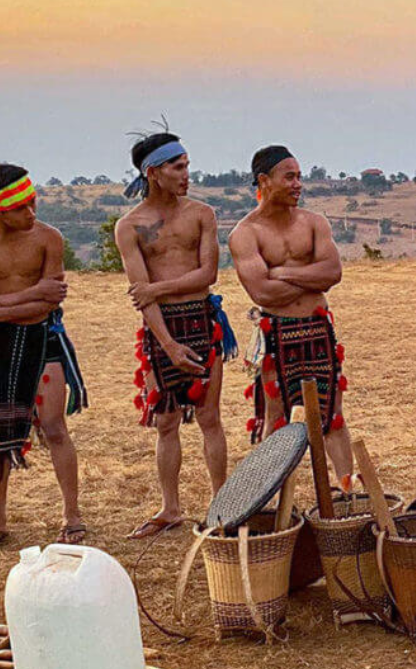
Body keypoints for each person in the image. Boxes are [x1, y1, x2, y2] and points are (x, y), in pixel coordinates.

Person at [0, 164, 90, 551]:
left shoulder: (49, 238)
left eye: (32, 203)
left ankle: (72, 515)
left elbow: (47, 302)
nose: (31, 214)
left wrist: (1, 306)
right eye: (20, 209)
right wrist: (12, 303)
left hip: (42, 336)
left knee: (54, 426)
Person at [116, 130, 236, 540]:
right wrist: (166, 343)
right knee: (165, 421)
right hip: (161, 328)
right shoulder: (130, 226)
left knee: (209, 417)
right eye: (177, 167)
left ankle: (221, 504)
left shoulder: (201, 214)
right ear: (154, 173)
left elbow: (208, 274)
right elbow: (140, 294)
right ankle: (170, 508)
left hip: (202, 320)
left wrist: (157, 288)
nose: (187, 173)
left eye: (187, 164)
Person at [229, 145, 351, 485]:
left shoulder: (314, 223)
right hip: (277, 332)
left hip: (317, 328)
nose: (298, 184)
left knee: (333, 417)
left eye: (300, 177)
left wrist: (282, 272)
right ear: (264, 181)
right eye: (290, 177)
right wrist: (311, 280)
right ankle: (270, 499)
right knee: (276, 418)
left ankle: (348, 497)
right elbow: (262, 293)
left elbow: (333, 272)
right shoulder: (245, 233)